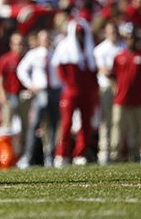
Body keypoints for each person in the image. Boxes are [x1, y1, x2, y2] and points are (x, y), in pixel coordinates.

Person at [51, 18, 98, 168]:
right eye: (78, 33)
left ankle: (80, 153)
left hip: (86, 92)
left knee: (86, 124)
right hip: (71, 92)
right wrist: (67, 84)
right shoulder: (65, 48)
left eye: (82, 33)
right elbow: (59, 70)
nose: (80, 36)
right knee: (66, 123)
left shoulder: (89, 48)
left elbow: (92, 72)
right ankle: (62, 154)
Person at [109, 23, 141, 163]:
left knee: (136, 129)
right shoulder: (119, 56)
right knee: (118, 127)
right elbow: (112, 75)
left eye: (133, 38)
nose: (131, 41)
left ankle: (134, 155)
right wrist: (116, 89)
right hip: (121, 99)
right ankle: (115, 155)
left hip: (138, 99)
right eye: (129, 38)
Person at [16, 29, 62, 168]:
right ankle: (28, 157)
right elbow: (21, 70)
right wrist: (30, 85)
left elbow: (61, 75)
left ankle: (50, 157)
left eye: (48, 38)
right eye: (44, 38)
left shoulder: (55, 55)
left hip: (54, 91)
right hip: (40, 92)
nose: (46, 41)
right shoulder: (34, 54)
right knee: (34, 125)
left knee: (53, 125)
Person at [93, 22, 124, 165]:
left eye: (115, 31)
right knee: (106, 119)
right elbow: (103, 69)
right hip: (107, 88)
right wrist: (116, 85)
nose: (113, 34)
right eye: (110, 31)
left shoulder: (122, 46)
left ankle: (116, 150)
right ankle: (104, 150)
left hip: (121, 88)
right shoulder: (100, 49)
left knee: (118, 120)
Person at [0, 32, 29, 156]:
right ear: (11, 45)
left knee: (26, 126)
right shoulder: (5, 59)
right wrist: (1, 94)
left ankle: (23, 154)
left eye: (22, 44)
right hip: (9, 95)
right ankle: (6, 155)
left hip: (24, 96)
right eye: (18, 44)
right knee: (7, 126)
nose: (20, 47)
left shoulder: (27, 58)